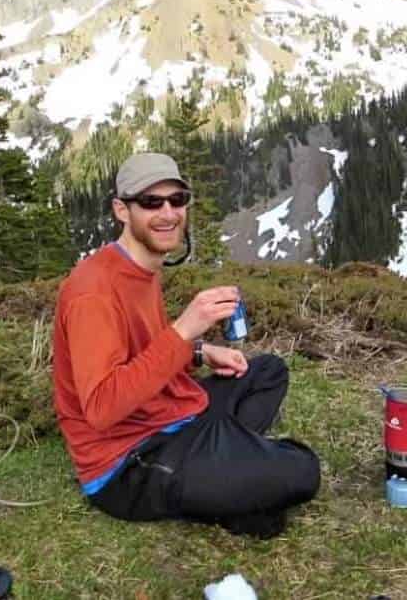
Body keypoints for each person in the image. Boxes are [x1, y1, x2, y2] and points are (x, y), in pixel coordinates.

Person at [51, 152, 320, 537]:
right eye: (150, 202)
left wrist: (199, 352)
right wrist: (183, 331)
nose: (168, 213)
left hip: (169, 414)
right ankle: (233, 475)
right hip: (128, 462)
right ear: (121, 210)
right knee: (303, 469)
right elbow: (101, 408)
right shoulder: (93, 292)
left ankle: (229, 470)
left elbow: (140, 353)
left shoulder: (141, 267)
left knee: (267, 372)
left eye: (177, 200)